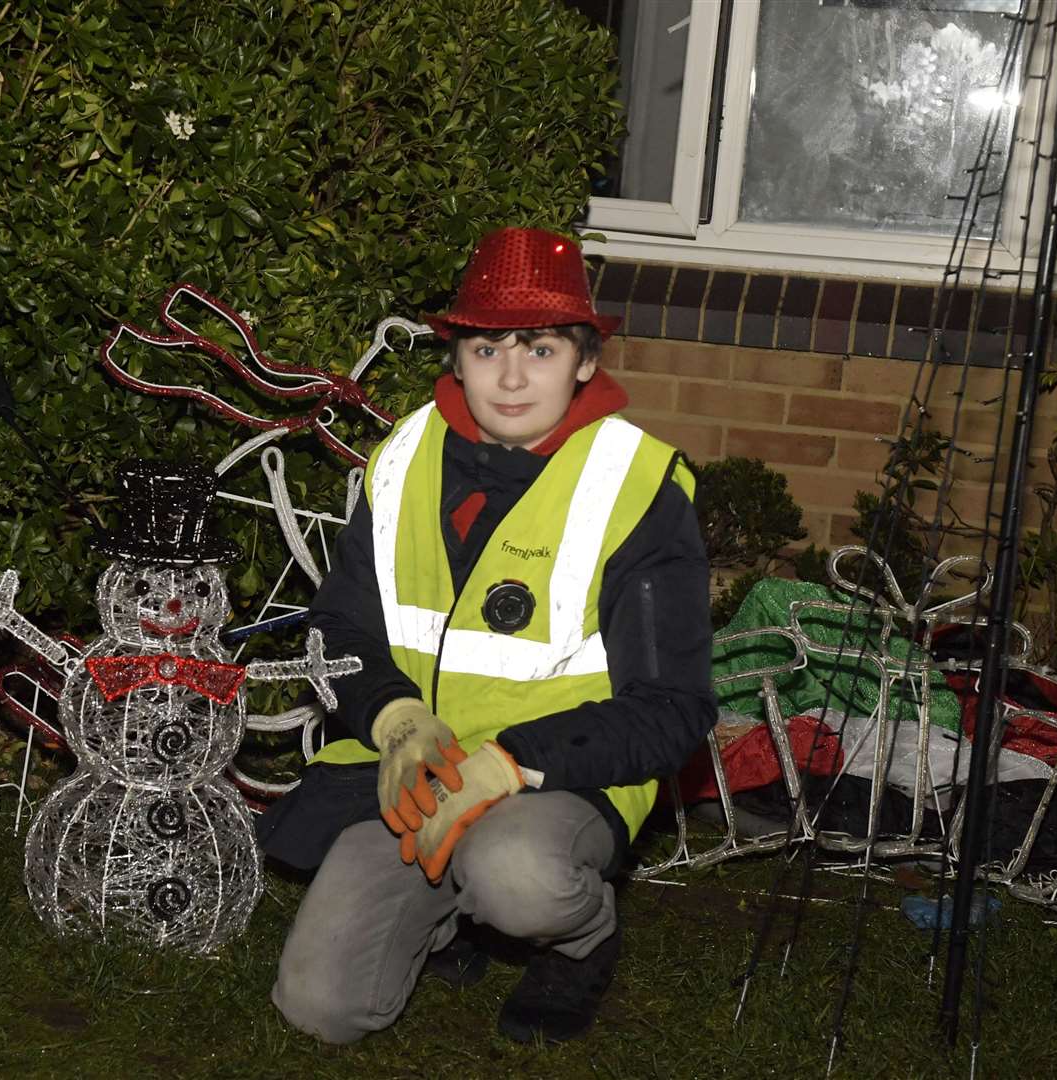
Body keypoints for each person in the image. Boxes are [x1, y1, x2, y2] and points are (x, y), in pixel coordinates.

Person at [259, 227, 716, 1044]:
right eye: (485, 348)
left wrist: (508, 763)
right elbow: (340, 626)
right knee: (319, 1009)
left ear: (584, 361)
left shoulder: (637, 486)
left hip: (558, 777)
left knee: (516, 876)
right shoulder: (402, 457)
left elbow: (672, 710)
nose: (509, 377)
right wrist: (394, 718)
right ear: (456, 356)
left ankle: (579, 940)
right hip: (415, 771)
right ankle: (451, 916)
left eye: (539, 350)